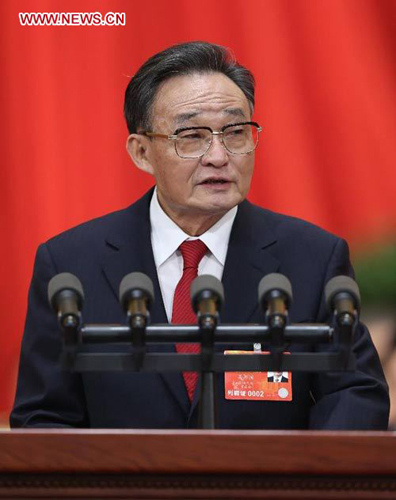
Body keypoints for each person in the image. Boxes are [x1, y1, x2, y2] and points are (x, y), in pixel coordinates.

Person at [10, 41, 389, 430]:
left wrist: (304, 481)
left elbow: (355, 393)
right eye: (191, 136)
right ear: (141, 152)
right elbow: (43, 417)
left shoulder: (312, 258)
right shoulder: (71, 264)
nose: (219, 156)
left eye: (235, 132)